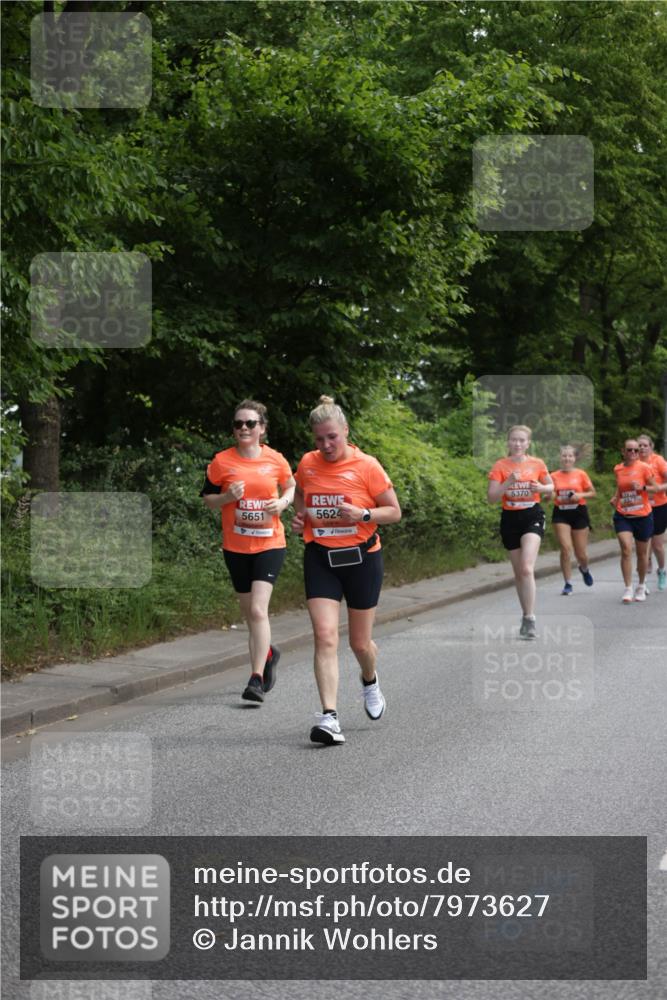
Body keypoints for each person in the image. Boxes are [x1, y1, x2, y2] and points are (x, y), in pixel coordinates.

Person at [292, 396, 401, 746]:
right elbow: (301, 496)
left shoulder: (367, 466)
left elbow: (394, 511)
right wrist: (300, 517)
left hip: (362, 560)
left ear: (345, 432)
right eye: (319, 439)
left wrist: (364, 515)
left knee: (359, 643)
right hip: (321, 557)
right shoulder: (308, 463)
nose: (325, 445)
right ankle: (329, 717)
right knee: (325, 636)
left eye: (332, 438)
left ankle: (370, 680)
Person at [201, 400, 295, 702]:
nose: (243, 428)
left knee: (257, 610)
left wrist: (281, 503)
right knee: (249, 615)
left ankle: (255, 678)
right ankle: (269, 652)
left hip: (270, 544)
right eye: (238, 423)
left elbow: (292, 486)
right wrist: (228, 496)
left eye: (250, 423)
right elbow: (208, 499)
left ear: (262, 429)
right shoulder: (221, 462)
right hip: (236, 546)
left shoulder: (276, 460)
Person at [487, 425, 554, 638]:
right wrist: (508, 481)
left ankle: (531, 619)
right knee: (519, 573)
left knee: (526, 568)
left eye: (521, 440)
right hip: (510, 518)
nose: (517, 443)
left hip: (532, 515)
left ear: (528, 443)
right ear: (508, 442)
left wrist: (541, 489)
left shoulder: (537, 464)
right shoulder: (500, 465)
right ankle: (526, 615)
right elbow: (491, 498)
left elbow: (551, 486)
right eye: (514, 440)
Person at [610, 439, 658, 603]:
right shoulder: (618, 468)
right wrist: (616, 498)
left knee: (642, 553)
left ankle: (641, 585)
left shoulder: (645, 468)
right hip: (623, 514)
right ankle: (628, 587)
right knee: (625, 548)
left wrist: (643, 488)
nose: (633, 453)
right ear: (623, 451)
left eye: (636, 451)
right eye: (629, 450)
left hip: (643, 516)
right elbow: (620, 487)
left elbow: (656, 489)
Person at [549, 445, 596, 595]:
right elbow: (547, 495)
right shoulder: (553, 476)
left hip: (579, 513)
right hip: (561, 513)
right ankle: (568, 583)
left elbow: (592, 493)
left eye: (570, 456)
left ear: (575, 458)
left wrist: (580, 495)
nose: (567, 458)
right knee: (565, 548)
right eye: (564, 456)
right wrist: (548, 496)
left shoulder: (581, 474)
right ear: (560, 458)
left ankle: (584, 568)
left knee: (581, 553)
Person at [637, 434, 667, 591]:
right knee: (644, 543)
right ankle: (644, 582)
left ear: (651, 447)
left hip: (659, 506)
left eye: (645, 445)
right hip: (640, 507)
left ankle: (662, 571)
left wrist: (657, 488)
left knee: (657, 545)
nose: (642, 448)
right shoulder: (633, 463)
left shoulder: (658, 461)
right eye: (639, 446)